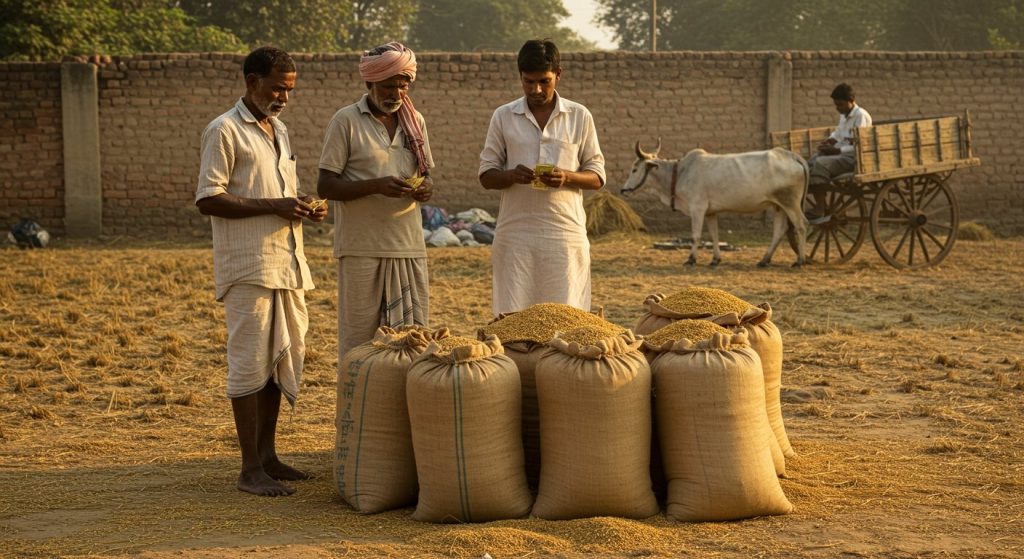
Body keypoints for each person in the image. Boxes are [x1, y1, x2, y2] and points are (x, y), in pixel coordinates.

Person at [195, 46, 327, 497]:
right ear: (251, 82)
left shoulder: (279, 130)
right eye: (276, 88)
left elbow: (278, 192)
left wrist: (303, 205)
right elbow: (208, 198)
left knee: (277, 361)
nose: (283, 98)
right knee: (249, 362)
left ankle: (268, 457)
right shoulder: (224, 130)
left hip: (286, 263)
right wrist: (275, 205)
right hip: (248, 265)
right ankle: (249, 468)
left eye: (289, 90)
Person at [316, 42, 434, 360]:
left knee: (412, 340)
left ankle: (401, 393)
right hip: (361, 247)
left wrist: (425, 189)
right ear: (370, 82)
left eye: (403, 86)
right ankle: (359, 393)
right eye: (388, 86)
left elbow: (426, 176)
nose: (397, 94)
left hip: (408, 245)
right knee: (360, 340)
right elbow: (326, 185)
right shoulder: (346, 121)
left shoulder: (415, 122)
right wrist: (376, 186)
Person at [478, 39, 605, 317]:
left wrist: (566, 176)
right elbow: (486, 175)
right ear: (520, 77)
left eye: (544, 81)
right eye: (529, 82)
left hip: (565, 235)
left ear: (558, 74)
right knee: (513, 316)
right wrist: (512, 175)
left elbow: (597, 177)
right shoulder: (504, 116)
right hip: (516, 236)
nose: (536, 90)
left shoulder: (579, 116)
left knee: (567, 316)